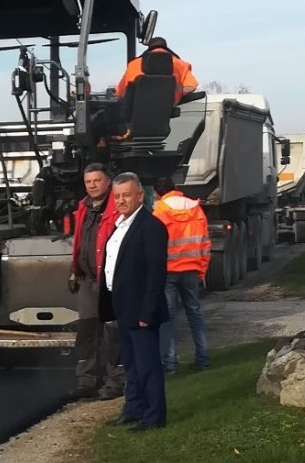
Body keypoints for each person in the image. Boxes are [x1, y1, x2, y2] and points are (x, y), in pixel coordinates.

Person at [99, 172, 169, 432]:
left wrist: (147, 311)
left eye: (126, 195)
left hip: (141, 309)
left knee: (148, 365)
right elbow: (111, 268)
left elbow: (156, 272)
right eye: (117, 196)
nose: (121, 200)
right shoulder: (118, 226)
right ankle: (134, 408)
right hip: (122, 307)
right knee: (130, 364)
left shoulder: (151, 227)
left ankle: (154, 417)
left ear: (140, 195)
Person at [68, 163, 124, 400]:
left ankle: (116, 380)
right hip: (87, 279)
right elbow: (79, 242)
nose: (92, 185)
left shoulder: (117, 208)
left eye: (96, 181)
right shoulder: (84, 208)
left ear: (108, 182)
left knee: (113, 333)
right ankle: (88, 379)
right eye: (88, 181)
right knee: (87, 331)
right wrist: (74, 271)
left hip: (110, 281)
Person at [153, 177, 211, 374]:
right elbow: (204, 243)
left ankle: (170, 364)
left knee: (167, 318)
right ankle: (203, 359)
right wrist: (201, 269)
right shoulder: (196, 208)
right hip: (191, 270)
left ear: (157, 193)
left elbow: (156, 246)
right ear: (176, 188)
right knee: (194, 314)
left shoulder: (159, 211)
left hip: (168, 272)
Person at [115, 36, 198, 104]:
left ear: (149, 48)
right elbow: (190, 87)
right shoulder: (181, 65)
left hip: (135, 118)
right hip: (165, 115)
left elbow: (119, 93)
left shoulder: (133, 65)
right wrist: (176, 88)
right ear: (166, 48)